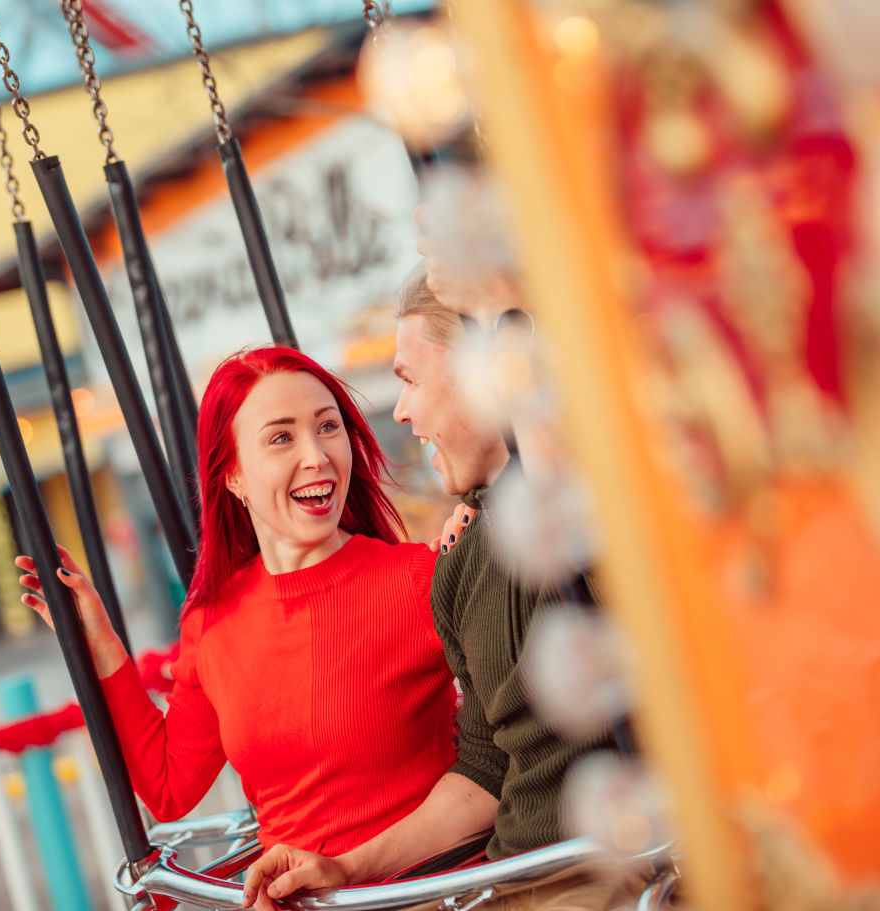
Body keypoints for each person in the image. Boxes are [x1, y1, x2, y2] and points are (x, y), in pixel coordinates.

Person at [241, 273, 627, 911]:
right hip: (514, 875)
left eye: (410, 379)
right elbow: (484, 769)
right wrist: (344, 866)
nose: (400, 411)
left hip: (598, 871)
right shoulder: (463, 559)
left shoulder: (582, 503)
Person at [16, 345, 458, 857]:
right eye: (281, 438)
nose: (316, 456)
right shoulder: (213, 621)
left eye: (328, 427)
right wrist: (102, 646)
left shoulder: (421, 579)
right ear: (232, 476)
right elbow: (167, 788)